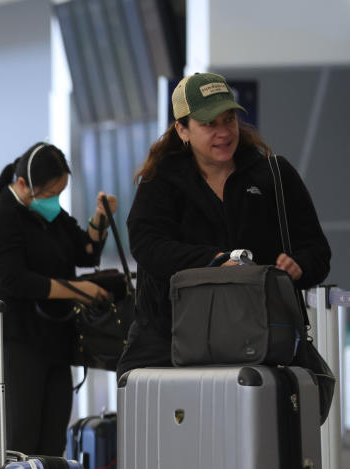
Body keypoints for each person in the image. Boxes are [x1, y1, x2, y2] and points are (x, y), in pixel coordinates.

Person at [117, 72, 330, 375]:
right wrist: (215, 262)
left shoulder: (274, 175)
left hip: (259, 341)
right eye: (209, 124)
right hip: (171, 342)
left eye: (229, 120)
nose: (224, 132)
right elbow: (147, 245)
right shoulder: (161, 181)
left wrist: (298, 267)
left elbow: (317, 252)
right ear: (183, 129)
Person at [0, 141, 116, 457]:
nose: (55, 201)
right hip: (15, 342)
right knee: (23, 442)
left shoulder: (52, 216)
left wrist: (101, 218)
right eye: (50, 194)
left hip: (55, 339)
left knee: (54, 444)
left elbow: (86, 252)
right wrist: (79, 290)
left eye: (59, 193)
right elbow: (16, 281)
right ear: (23, 184)